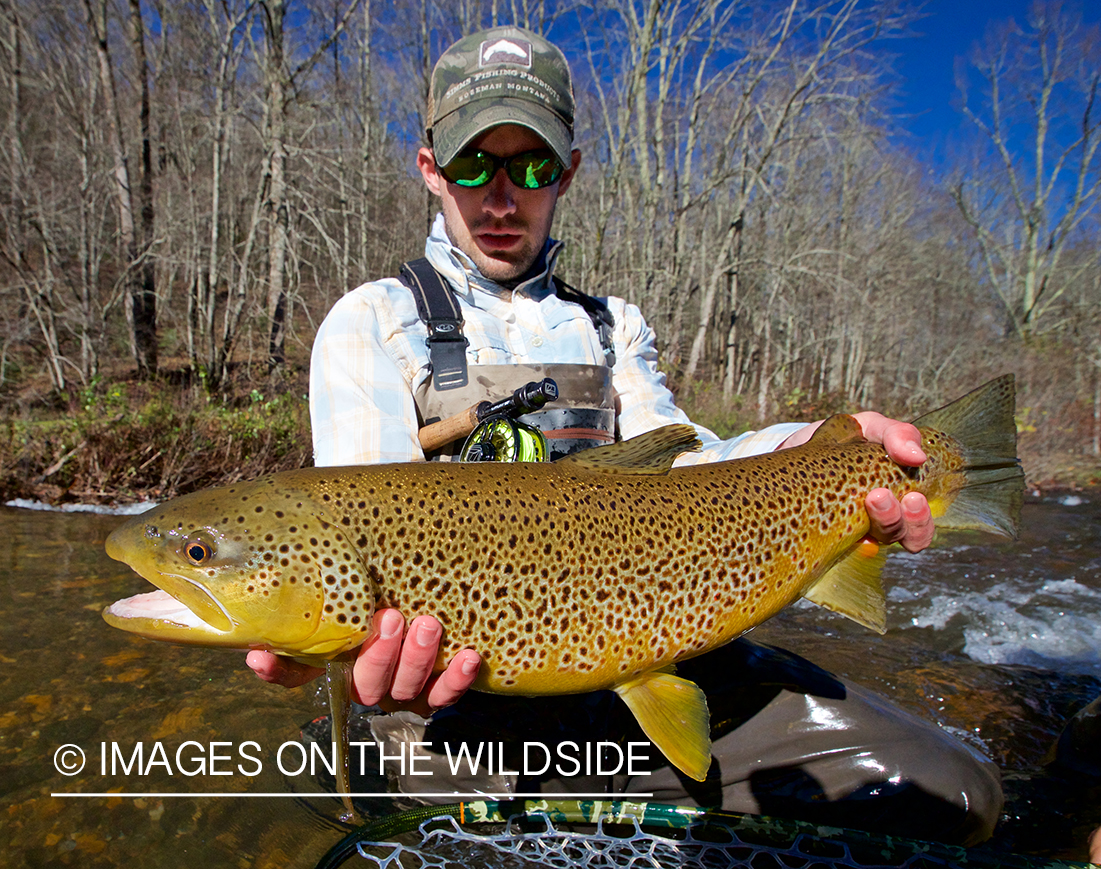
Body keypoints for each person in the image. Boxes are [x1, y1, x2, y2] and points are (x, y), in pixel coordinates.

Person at [247, 25, 1002, 845]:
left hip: (652, 657)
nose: (501, 197)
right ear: (430, 168)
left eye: (531, 166)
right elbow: (361, 529)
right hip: (451, 706)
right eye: (474, 164)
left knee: (951, 798)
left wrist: (815, 445)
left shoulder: (612, 329)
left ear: (565, 173)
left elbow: (689, 467)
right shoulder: (373, 321)